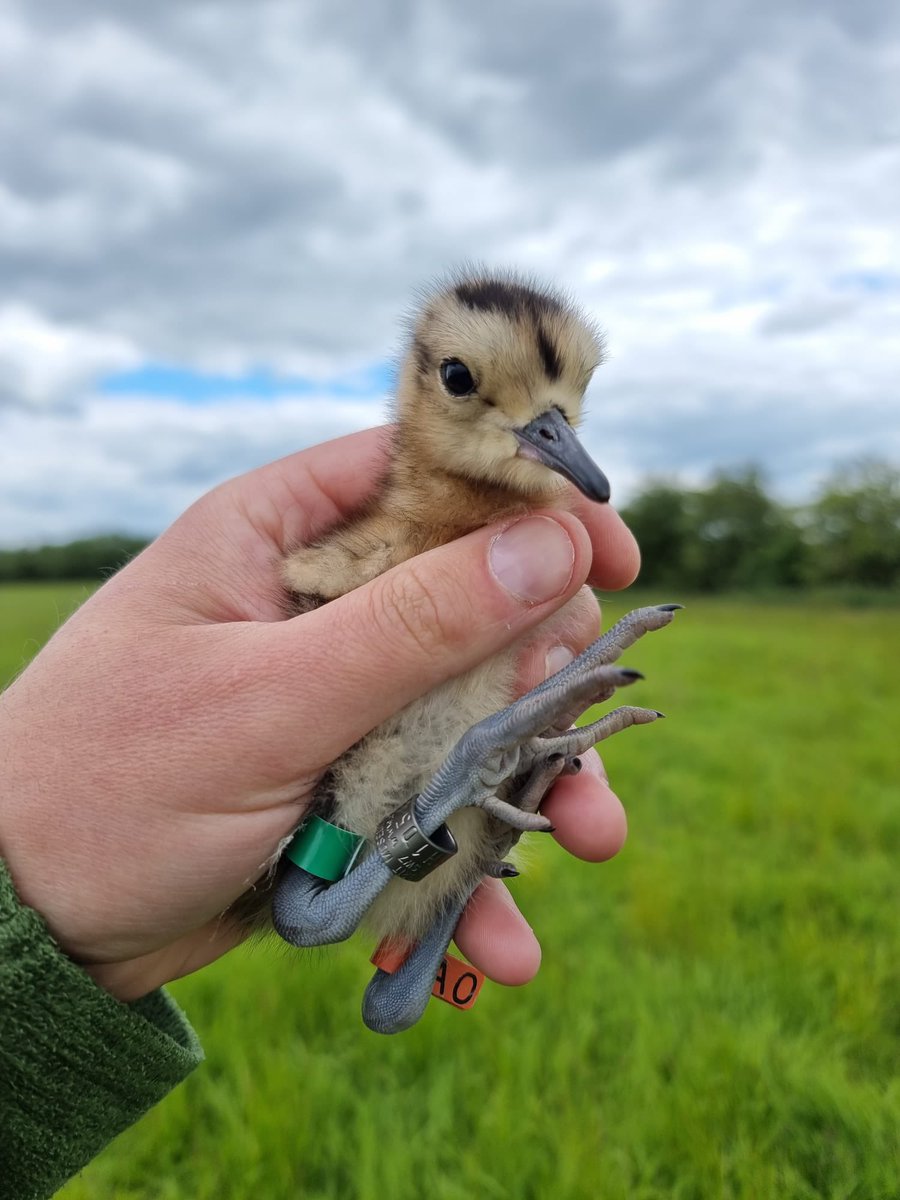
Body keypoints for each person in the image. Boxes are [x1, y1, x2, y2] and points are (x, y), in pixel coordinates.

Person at [0, 427, 640, 1198]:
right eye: (464, 379)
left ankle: (483, 802)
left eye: (566, 402)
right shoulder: (368, 542)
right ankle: (479, 783)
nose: (549, 432)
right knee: (326, 894)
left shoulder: (509, 523)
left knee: (485, 758)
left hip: (403, 819)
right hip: (339, 822)